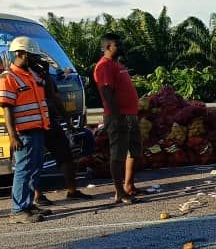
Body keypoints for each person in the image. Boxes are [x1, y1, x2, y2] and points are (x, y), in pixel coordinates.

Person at [28, 53, 92, 209]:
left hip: (50, 121)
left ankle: (72, 191)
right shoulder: (22, 76)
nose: (40, 61)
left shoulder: (43, 76)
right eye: (35, 58)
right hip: (33, 124)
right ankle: (37, 195)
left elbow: (54, 97)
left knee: (65, 155)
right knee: (34, 161)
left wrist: (67, 119)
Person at [1, 37, 51, 223]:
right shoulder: (8, 77)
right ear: (21, 54)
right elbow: (7, 109)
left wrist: (45, 73)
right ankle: (18, 210)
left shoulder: (32, 75)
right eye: (32, 55)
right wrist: (13, 136)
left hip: (38, 129)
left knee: (35, 167)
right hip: (23, 133)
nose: (35, 59)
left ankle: (28, 204)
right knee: (23, 169)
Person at [94, 33, 143, 204]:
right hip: (118, 116)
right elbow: (107, 92)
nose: (121, 47)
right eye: (118, 45)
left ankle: (129, 186)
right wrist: (117, 116)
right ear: (108, 47)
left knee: (134, 150)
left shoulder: (117, 64)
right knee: (118, 154)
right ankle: (119, 192)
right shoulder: (104, 66)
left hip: (130, 115)